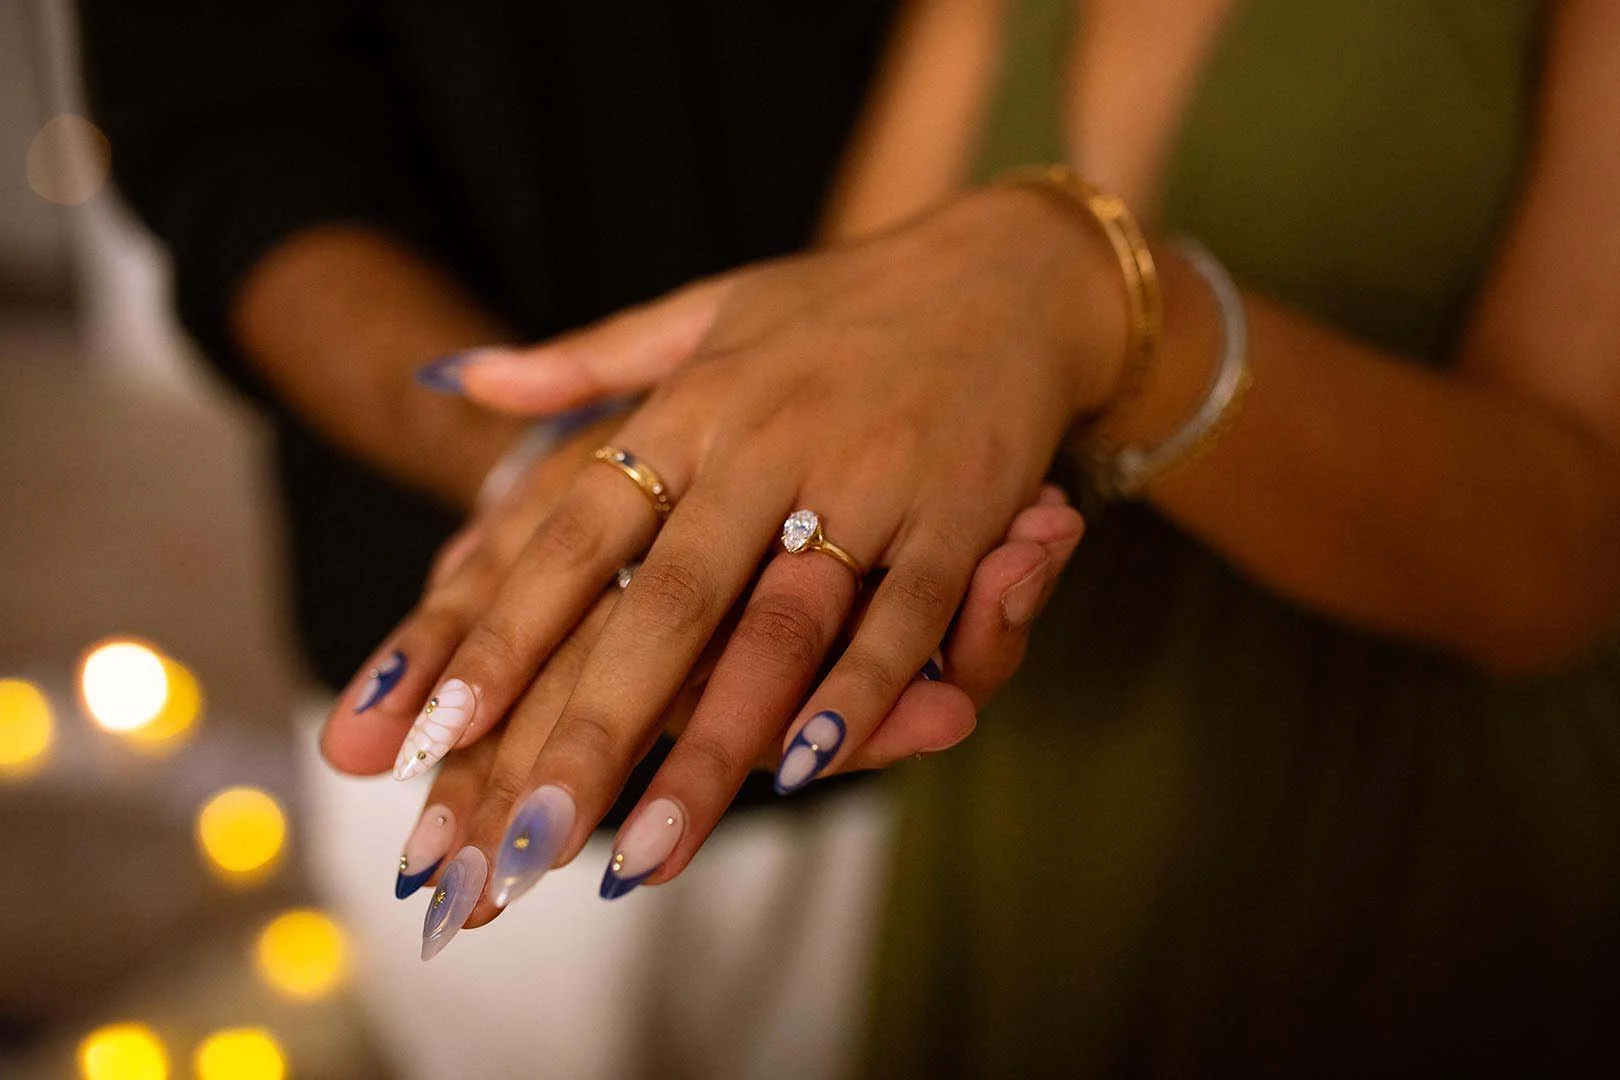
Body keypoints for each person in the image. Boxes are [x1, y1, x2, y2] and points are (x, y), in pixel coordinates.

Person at [89, 0, 1620, 1075]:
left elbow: (1564, 559)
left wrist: (1095, 295)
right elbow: (862, 322)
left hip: (1402, 842)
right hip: (1019, 818)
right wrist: (626, 505)